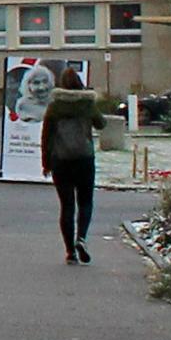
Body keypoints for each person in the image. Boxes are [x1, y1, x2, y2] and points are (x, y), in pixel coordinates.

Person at [43, 70, 103, 263]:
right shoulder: (87, 104)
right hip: (84, 159)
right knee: (85, 202)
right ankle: (82, 238)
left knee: (67, 206)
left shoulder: (54, 107)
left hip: (61, 161)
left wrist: (46, 163)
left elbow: (47, 136)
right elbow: (101, 124)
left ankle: (70, 251)